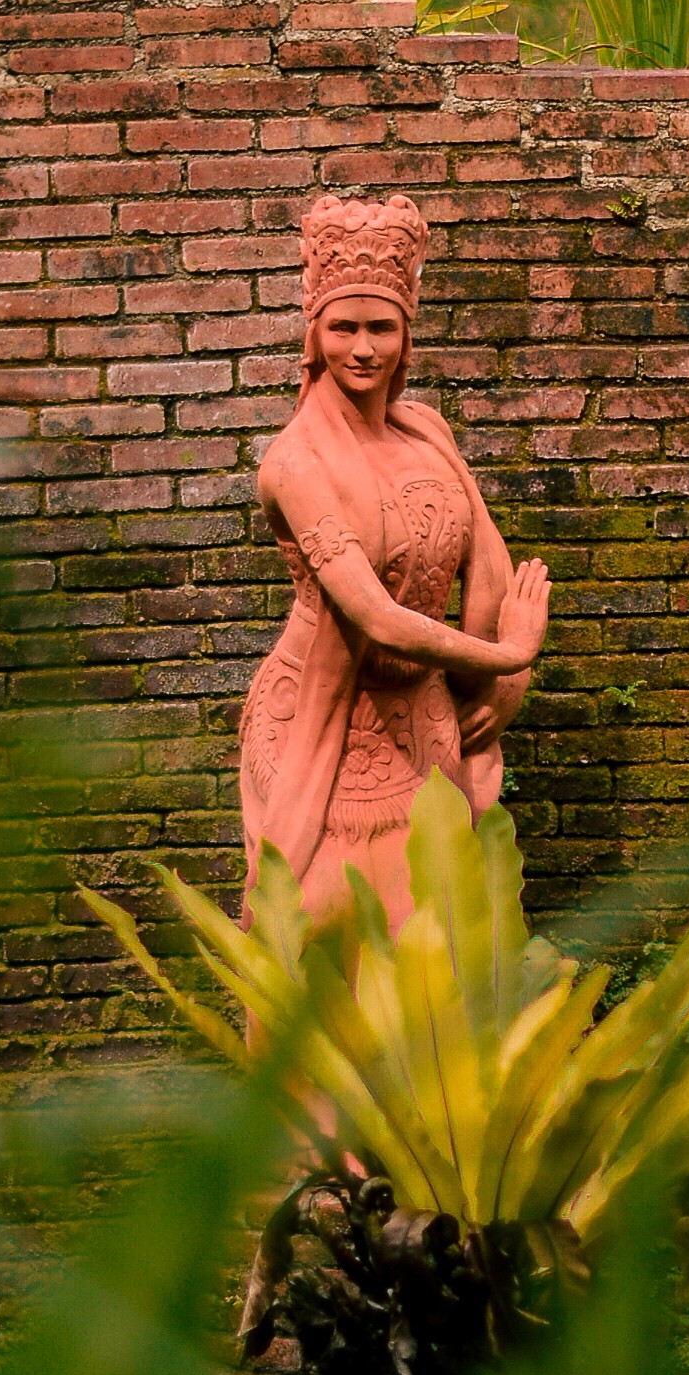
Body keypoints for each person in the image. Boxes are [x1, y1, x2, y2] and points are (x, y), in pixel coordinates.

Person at [238, 192, 549, 930]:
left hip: (423, 722)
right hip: (320, 724)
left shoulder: (427, 433)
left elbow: (487, 562)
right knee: (321, 929)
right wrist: (509, 652)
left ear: (406, 337)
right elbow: (375, 615)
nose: (363, 348)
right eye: (343, 328)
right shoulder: (296, 462)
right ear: (315, 336)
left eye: (381, 328)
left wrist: (504, 682)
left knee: (436, 938)